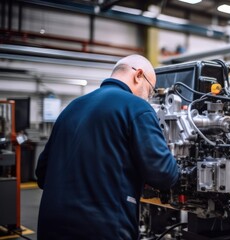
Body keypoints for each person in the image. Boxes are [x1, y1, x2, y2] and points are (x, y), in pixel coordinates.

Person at [36, 54, 179, 239]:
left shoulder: (72, 107)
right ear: (138, 75)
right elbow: (164, 174)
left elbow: (41, 174)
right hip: (102, 229)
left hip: (51, 227)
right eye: (150, 91)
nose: (149, 98)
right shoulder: (136, 107)